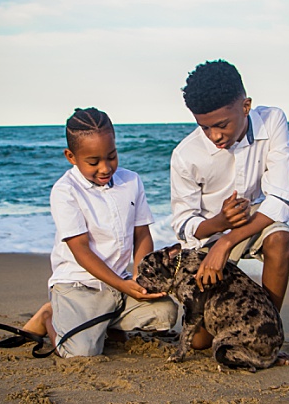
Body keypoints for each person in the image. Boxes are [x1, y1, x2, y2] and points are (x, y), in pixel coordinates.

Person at [23, 108, 178, 357]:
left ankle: (105, 321)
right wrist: (123, 286)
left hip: (120, 282)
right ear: (71, 156)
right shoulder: (65, 191)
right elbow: (81, 250)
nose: (105, 168)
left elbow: (142, 236)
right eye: (93, 162)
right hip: (79, 285)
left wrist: (139, 279)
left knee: (166, 313)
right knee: (80, 353)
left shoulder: (131, 181)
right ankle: (49, 317)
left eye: (112, 156)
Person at [169, 60, 289, 349]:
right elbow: (184, 224)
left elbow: (280, 198)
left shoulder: (273, 120)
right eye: (204, 127)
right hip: (210, 232)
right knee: (200, 343)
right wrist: (219, 226)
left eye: (222, 125)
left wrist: (226, 243)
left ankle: (266, 336)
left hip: (250, 224)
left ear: (246, 106)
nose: (215, 136)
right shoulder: (185, 155)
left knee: (279, 239)